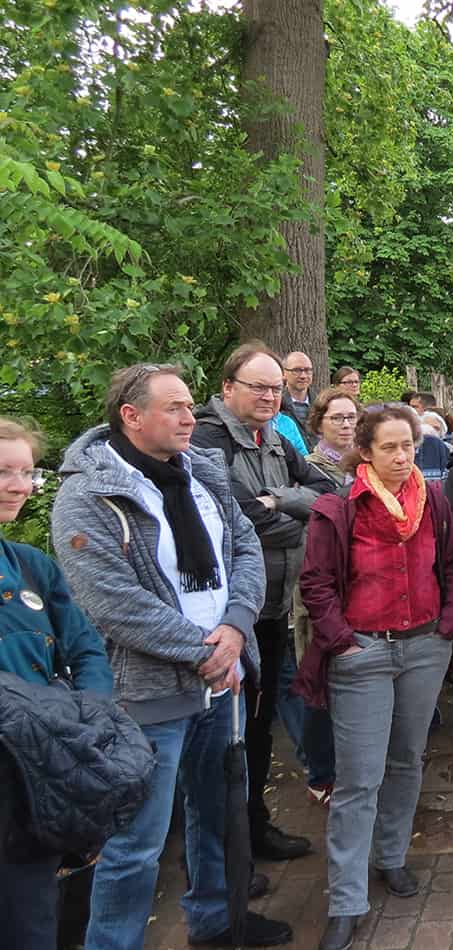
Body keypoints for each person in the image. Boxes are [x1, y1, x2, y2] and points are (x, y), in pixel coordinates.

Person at [53, 364, 290, 948]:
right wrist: (200, 649)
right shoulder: (88, 496)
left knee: (216, 814)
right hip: (147, 694)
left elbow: (245, 548)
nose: (191, 418)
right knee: (136, 843)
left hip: (221, 678)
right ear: (131, 416)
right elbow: (112, 600)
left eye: (190, 406)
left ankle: (215, 920)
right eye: (175, 408)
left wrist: (235, 628)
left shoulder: (201, 473)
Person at [290, 403, 453, 950]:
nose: (401, 456)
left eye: (408, 446)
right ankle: (346, 898)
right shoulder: (338, 508)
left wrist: (452, 617)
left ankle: (391, 857)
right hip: (362, 652)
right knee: (359, 777)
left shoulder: (431, 499)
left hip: (424, 646)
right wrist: (341, 639)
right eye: (388, 447)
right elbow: (315, 583)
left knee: (406, 760)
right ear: (363, 451)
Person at [191, 342, 336, 862]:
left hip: (276, 606)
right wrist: (293, 515)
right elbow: (237, 519)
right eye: (259, 386)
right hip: (232, 612)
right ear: (227, 387)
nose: (271, 396)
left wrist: (284, 500)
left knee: (259, 724)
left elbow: (329, 492)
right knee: (226, 734)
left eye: (276, 388)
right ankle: (226, 850)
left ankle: (255, 827)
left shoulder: (274, 435)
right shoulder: (208, 441)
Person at [0, 419, 113, 950]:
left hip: (33, 784)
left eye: (27, 473)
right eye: (4, 472)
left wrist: (86, 720)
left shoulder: (31, 567)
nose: (20, 486)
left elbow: (86, 648)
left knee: (33, 924)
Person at [288, 386, 362, 807]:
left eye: (352, 417)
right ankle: (321, 770)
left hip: (358, 587)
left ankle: (351, 765)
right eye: (337, 417)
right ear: (318, 423)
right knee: (318, 676)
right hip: (317, 585)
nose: (347, 425)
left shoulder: (366, 465)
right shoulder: (309, 467)